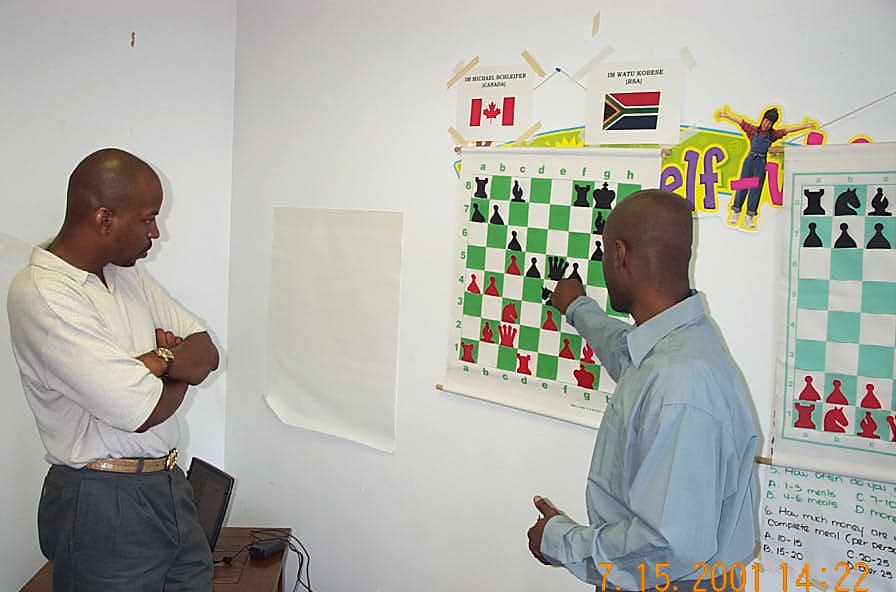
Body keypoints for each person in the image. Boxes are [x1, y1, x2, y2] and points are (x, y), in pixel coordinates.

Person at [7, 148, 220, 591]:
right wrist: (170, 363)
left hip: (169, 485)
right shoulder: (43, 295)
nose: (156, 233)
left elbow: (206, 352)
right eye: (147, 219)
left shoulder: (124, 276)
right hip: (104, 501)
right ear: (105, 219)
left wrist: (156, 365)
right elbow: (139, 410)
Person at [526, 190, 759, 592]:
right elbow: (628, 355)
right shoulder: (680, 342)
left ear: (619, 255)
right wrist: (578, 307)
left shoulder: (682, 384)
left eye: (602, 253)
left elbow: (666, 548)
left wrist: (558, 541)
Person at [716, 105, 817, 229]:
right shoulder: (753, 131)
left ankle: (749, 216)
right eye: (766, 121)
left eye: (770, 123)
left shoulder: (772, 135)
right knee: (743, 185)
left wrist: (805, 126)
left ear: (772, 124)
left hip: (761, 162)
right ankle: (736, 212)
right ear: (763, 119)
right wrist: (726, 115)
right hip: (750, 161)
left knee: (756, 190)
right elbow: (740, 122)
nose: (767, 124)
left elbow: (788, 130)